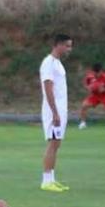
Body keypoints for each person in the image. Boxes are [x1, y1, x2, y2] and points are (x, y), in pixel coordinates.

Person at [40, 34, 74, 193]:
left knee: (57, 143)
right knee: (53, 143)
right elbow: (48, 87)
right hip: (53, 110)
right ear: (58, 45)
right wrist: (54, 112)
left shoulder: (58, 63)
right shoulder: (49, 63)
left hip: (60, 109)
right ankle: (46, 180)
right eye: (67, 46)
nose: (69, 49)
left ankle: (52, 179)